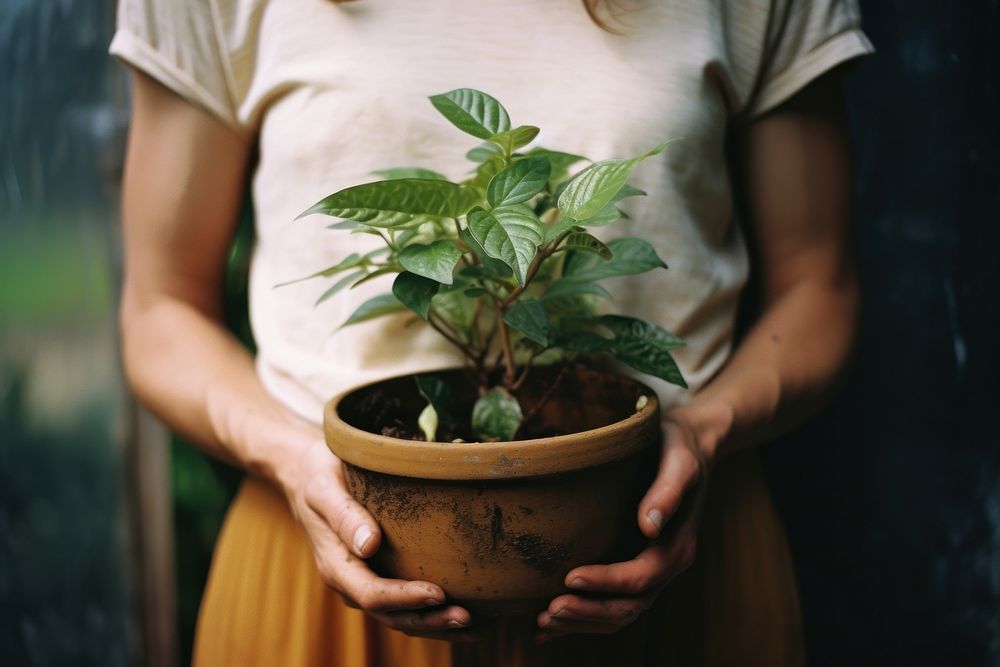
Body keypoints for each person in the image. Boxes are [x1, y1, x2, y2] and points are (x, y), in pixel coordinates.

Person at [111, 0, 871, 664]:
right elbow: (159, 307)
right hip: (327, 567)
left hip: (670, 550)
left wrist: (704, 431)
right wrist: (287, 455)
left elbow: (819, 287)